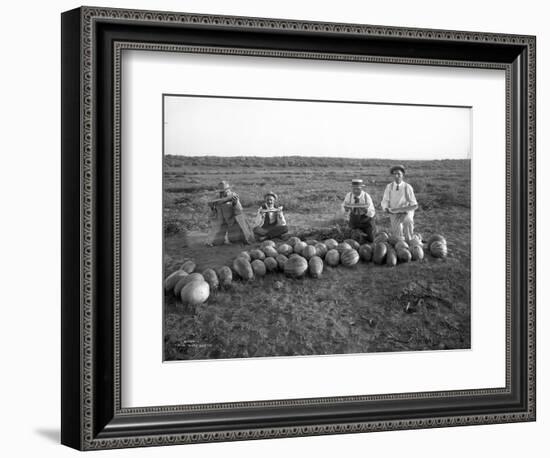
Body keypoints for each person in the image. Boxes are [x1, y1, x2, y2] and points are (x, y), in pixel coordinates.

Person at [206, 181, 255, 246]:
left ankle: (243, 238)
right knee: (216, 242)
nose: (223, 192)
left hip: (232, 221)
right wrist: (212, 207)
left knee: (233, 239)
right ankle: (219, 238)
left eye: (225, 190)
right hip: (221, 222)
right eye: (221, 191)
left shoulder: (233, 196)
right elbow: (212, 214)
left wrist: (235, 204)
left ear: (228, 189)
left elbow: (239, 211)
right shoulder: (216, 197)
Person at [380, 165, 418, 241]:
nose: (396, 176)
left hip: (406, 212)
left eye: (399, 174)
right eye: (394, 174)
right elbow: (385, 200)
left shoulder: (407, 187)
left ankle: (410, 242)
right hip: (393, 212)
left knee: (408, 222)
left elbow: (414, 204)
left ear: (402, 175)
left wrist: (407, 210)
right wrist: (386, 208)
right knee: (397, 236)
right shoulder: (389, 187)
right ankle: (400, 244)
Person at [341, 179, 376, 243]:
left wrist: (365, 210)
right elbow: (343, 207)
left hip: (366, 222)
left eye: (358, 189)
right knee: (352, 241)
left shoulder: (366, 196)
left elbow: (372, 212)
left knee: (371, 240)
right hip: (354, 222)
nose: (355, 191)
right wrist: (345, 209)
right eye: (354, 189)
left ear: (362, 188)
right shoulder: (349, 196)